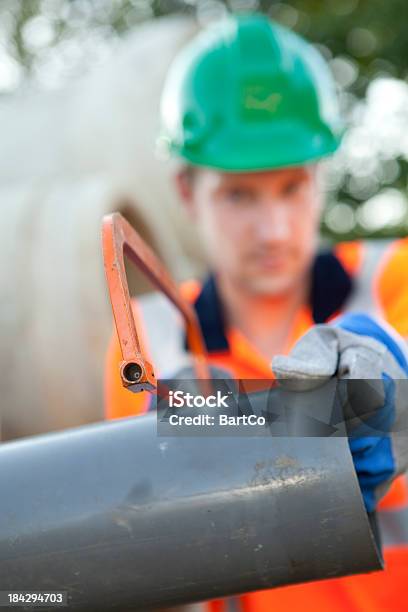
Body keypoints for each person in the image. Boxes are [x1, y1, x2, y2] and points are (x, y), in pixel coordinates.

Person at [105, 13, 408, 611]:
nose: (272, 230)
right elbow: (146, 541)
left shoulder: (394, 278)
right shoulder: (148, 339)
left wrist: (396, 382)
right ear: (189, 192)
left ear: (321, 178)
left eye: (292, 188)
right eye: (239, 194)